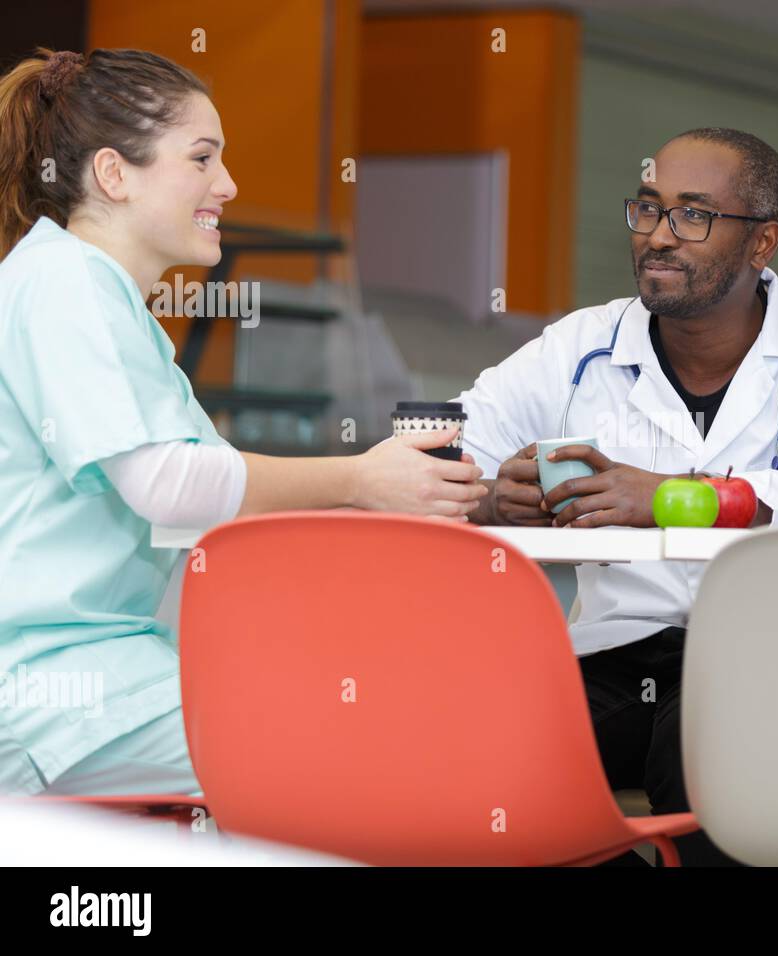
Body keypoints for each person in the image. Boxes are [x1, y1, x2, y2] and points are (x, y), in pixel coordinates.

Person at [0, 48, 487, 797]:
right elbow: (167, 485)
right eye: (201, 159)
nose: (227, 186)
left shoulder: (94, 296)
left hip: (101, 674)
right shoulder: (67, 284)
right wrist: (360, 477)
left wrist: (378, 492)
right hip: (54, 691)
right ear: (113, 175)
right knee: (366, 753)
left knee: (362, 721)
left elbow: (206, 491)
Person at [455, 128, 778, 863]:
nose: (659, 237)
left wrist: (674, 498)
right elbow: (449, 451)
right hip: (616, 655)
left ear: (763, 243)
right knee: (489, 762)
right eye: (648, 209)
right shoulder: (580, 347)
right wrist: (488, 497)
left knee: (702, 745)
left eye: (692, 215)